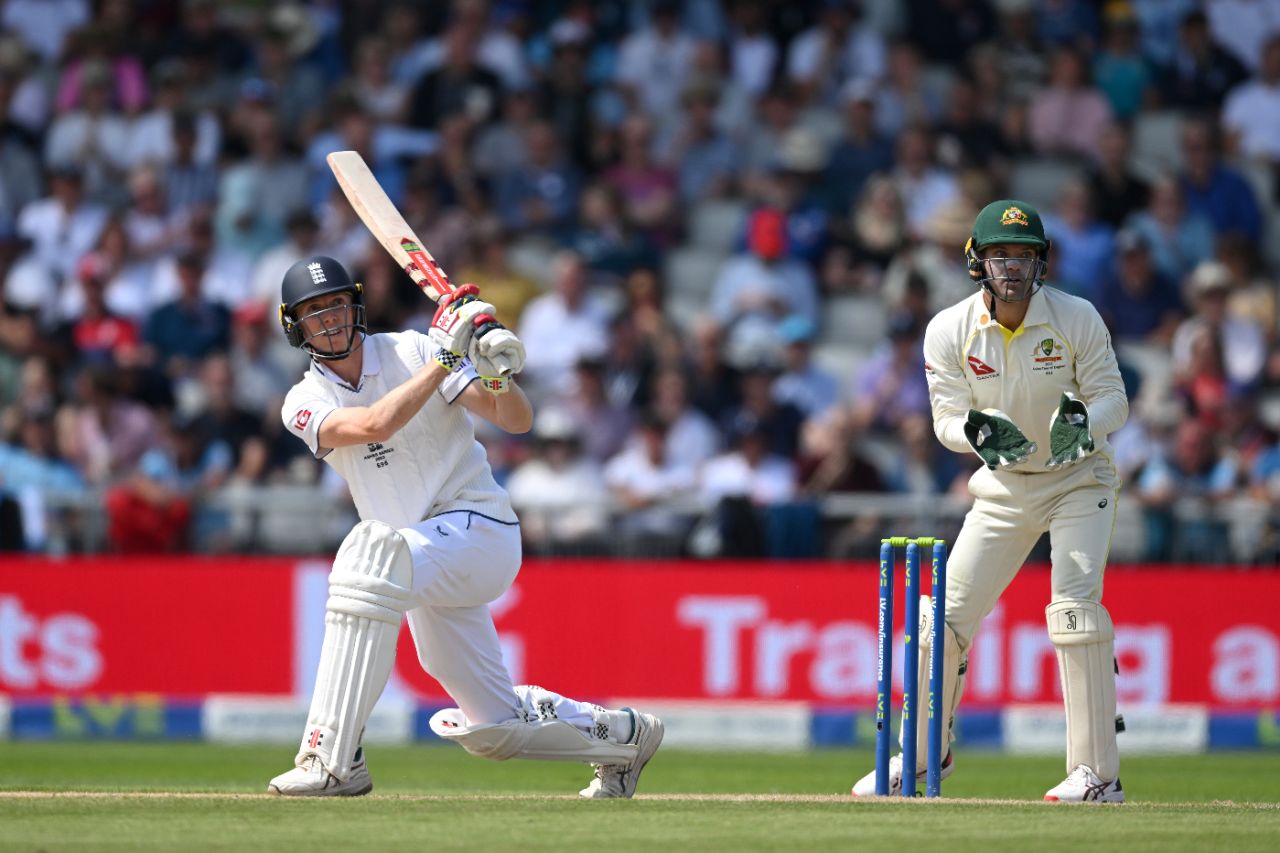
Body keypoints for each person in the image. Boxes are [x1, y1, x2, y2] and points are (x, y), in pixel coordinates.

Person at [267, 256, 663, 798]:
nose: (330, 319)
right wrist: (447, 358)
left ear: (355, 305)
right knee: (494, 728)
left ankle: (331, 759)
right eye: (315, 312)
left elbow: (516, 419)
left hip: (478, 531)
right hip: (419, 561)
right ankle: (622, 737)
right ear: (295, 327)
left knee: (369, 553)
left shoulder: (412, 349)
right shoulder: (303, 401)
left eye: (336, 303)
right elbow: (373, 425)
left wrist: (497, 373)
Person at [852, 200, 1129, 803]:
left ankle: (1098, 776)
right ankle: (922, 758)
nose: (1013, 266)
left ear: (1042, 263)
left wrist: (1083, 423)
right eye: (1001, 255)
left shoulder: (1077, 316)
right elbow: (946, 420)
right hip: (1003, 485)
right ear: (976, 261)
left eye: (1024, 255)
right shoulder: (948, 329)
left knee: (1075, 612)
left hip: (1078, 478)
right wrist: (977, 432)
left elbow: (1114, 398)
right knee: (939, 622)